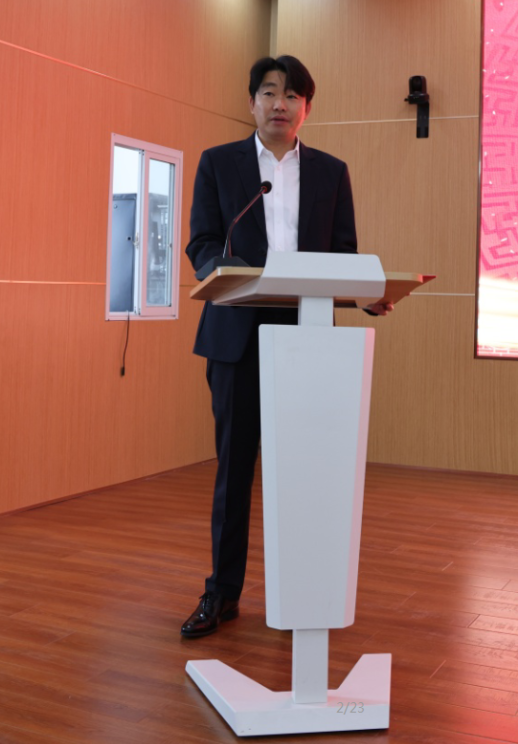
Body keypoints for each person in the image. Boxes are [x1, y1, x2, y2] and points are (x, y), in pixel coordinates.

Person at [181, 55, 391, 638]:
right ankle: (222, 593)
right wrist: (219, 268)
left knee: (307, 471)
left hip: (308, 337)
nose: (281, 104)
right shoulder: (218, 163)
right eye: (270, 92)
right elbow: (201, 240)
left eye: (293, 95)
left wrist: (367, 295)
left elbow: (343, 253)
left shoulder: (331, 172)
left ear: (307, 109)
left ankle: (305, 591)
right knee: (235, 471)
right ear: (251, 102)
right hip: (237, 332)